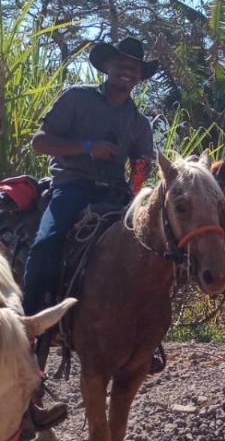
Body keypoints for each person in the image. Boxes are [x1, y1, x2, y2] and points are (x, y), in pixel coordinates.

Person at [20, 37, 157, 319]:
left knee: (150, 250)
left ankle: (143, 328)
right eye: (122, 65)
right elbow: (39, 142)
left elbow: (141, 165)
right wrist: (86, 147)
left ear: (140, 77)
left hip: (116, 195)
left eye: (134, 69)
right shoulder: (76, 99)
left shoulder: (140, 123)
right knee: (47, 241)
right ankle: (29, 318)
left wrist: (137, 190)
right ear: (108, 66)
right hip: (71, 187)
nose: (127, 72)